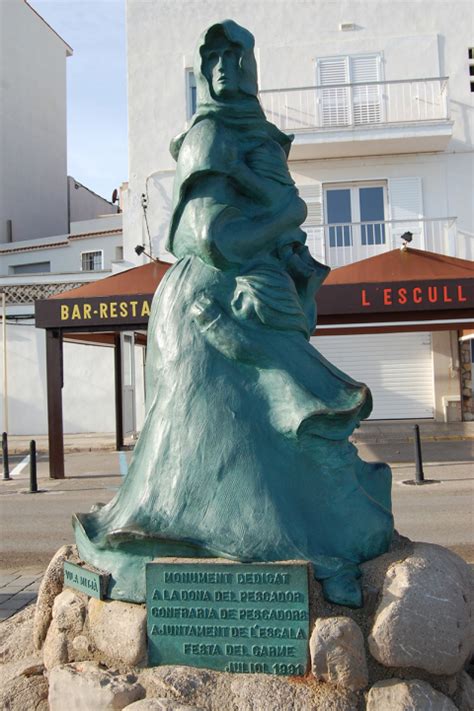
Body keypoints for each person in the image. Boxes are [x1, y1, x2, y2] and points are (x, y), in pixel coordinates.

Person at [74, 20, 393, 608]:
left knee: (286, 435)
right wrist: (287, 212)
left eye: (234, 55)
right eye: (211, 58)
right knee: (238, 442)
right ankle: (292, 556)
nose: (222, 68)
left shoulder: (255, 132)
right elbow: (212, 237)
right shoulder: (211, 134)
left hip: (250, 297)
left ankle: (311, 550)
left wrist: (288, 245)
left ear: (251, 66)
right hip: (211, 306)